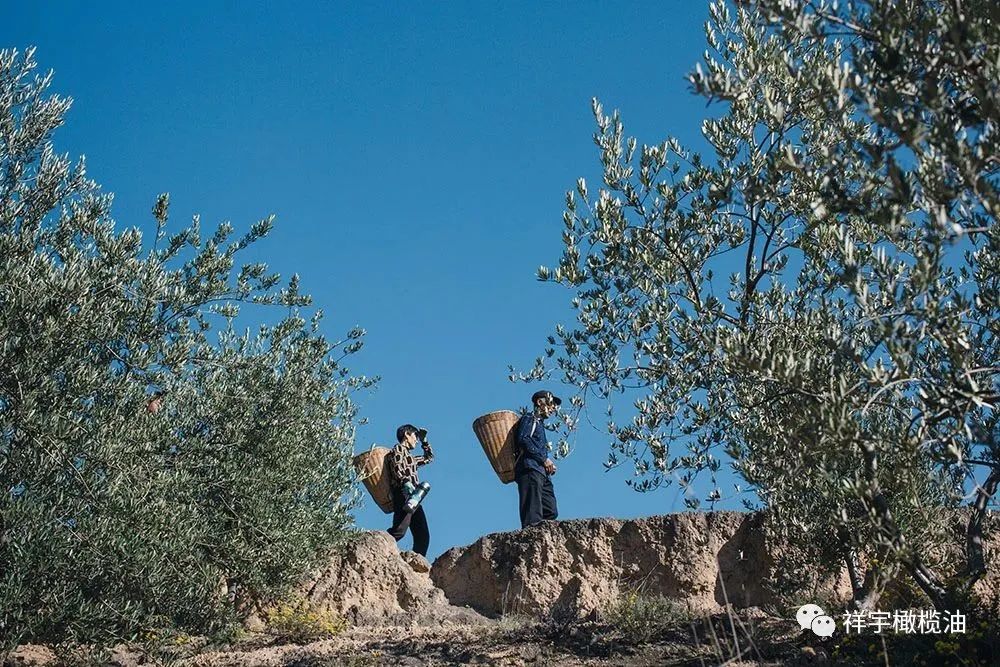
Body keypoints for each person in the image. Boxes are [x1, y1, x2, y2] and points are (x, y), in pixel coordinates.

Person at [386, 423, 434, 557]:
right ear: (407, 435)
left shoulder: (411, 458)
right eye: (415, 436)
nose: (416, 440)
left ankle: (416, 562)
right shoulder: (397, 449)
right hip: (403, 493)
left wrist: (425, 442)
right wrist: (405, 481)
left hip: (415, 497)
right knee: (399, 531)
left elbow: (429, 458)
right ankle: (377, 544)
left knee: (422, 535)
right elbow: (397, 466)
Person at [514, 390, 560, 528]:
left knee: (551, 510)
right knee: (532, 513)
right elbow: (523, 439)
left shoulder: (539, 424)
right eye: (550, 403)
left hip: (541, 472)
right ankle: (531, 536)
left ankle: (543, 535)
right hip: (530, 468)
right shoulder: (530, 418)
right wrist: (544, 459)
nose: (553, 408)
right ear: (540, 402)